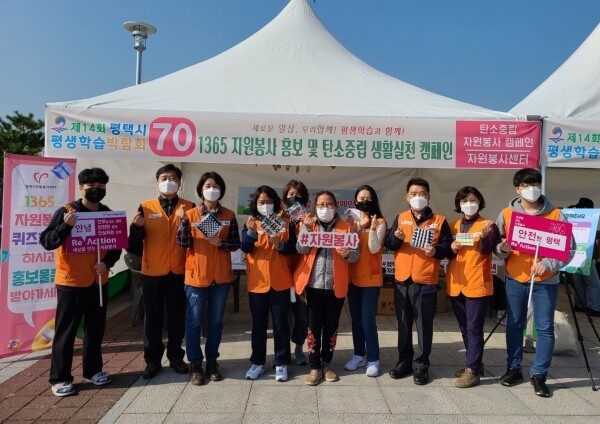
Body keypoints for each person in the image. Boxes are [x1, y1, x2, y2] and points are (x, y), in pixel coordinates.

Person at [40, 168, 122, 397]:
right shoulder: (67, 212)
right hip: (71, 282)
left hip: (98, 281)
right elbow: (47, 241)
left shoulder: (108, 214)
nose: (96, 190)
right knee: (66, 332)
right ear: (81, 188)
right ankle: (60, 378)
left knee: (95, 329)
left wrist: (107, 263)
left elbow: (116, 246)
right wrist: (65, 226)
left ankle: (93, 370)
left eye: (101, 186)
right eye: (91, 186)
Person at [495, 168, 575, 398]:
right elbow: (497, 247)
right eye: (526, 185)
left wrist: (548, 264)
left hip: (545, 281)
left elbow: (569, 250)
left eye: (535, 184)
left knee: (545, 327)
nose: (531, 189)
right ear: (517, 189)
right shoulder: (507, 214)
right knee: (514, 324)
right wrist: (502, 249)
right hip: (516, 278)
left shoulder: (556, 215)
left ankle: (539, 374)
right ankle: (513, 368)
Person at [127, 164, 194, 379]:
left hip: (179, 271)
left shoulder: (189, 207)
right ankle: (152, 360)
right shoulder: (145, 207)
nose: (168, 181)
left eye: (172, 178)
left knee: (177, 317)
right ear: (157, 182)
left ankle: (175, 356)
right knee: (152, 318)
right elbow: (133, 246)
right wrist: (136, 228)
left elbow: (194, 240)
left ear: (179, 182)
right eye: (164, 178)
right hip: (152, 272)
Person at [385, 177, 453, 385]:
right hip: (402, 281)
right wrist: (396, 238)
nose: (418, 197)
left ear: (429, 197)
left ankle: (422, 365)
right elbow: (390, 244)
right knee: (403, 324)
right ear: (407, 197)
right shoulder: (400, 217)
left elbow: (449, 247)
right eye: (414, 194)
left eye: (422, 194)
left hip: (425, 281)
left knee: (424, 325)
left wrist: (436, 251)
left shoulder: (439, 221)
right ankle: (404, 362)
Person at [176, 171, 240, 385]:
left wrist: (220, 243)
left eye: (216, 186)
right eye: (208, 186)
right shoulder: (190, 214)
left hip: (220, 277)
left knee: (216, 322)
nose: (212, 189)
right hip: (196, 277)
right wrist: (183, 223)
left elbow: (236, 244)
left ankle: (212, 361)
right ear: (200, 190)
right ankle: (195, 364)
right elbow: (183, 244)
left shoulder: (229, 215)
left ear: (221, 190)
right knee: (194, 322)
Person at [295, 191, 359, 385]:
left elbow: (355, 256)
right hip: (313, 286)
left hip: (335, 286)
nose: (325, 208)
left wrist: (347, 253)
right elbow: (301, 249)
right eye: (321, 204)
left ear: (336, 206)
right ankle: (315, 367)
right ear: (315, 207)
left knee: (331, 327)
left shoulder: (346, 227)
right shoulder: (309, 224)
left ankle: (327, 365)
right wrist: (306, 230)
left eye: (329, 204)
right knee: (313, 328)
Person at [446, 186, 501, 388]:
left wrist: (485, 237)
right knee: (464, 328)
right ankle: (474, 363)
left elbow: (487, 251)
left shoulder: (488, 225)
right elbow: (445, 251)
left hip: (477, 283)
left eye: (473, 200)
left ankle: (473, 371)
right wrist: (451, 248)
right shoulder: (452, 226)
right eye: (464, 201)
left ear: (479, 202)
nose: (469, 204)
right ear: (459, 204)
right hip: (456, 284)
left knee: (474, 328)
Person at [241, 185, 297, 382]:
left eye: (269, 201)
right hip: (258, 282)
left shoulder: (286, 222)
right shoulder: (252, 222)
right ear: (255, 204)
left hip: (280, 281)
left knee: (281, 325)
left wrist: (280, 245)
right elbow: (245, 247)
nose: (265, 205)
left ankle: (281, 362)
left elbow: (294, 249)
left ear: (276, 203)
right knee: (258, 326)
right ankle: (257, 362)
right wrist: (250, 233)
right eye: (261, 202)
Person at [344, 185, 386, 377]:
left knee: (367, 320)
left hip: (371, 278)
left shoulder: (380, 222)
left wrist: (371, 228)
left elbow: (374, 248)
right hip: (353, 277)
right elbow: (346, 245)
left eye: (368, 198)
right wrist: (356, 226)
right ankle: (359, 354)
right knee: (356, 320)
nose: (364, 201)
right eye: (361, 198)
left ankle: (373, 359)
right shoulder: (351, 223)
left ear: (374, 201)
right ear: (355, 201)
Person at [282, 179, 310, 365]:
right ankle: (282, 351)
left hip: (302, 274)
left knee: (302, 316)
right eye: (291, 194)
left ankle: (299, 348)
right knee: (282, 316)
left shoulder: (310, 218)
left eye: (298, 195)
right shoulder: (278, 218)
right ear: (285, 198)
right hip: (282, 273)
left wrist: (306, 225)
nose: (295, 198)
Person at [567, 198, 600, 317]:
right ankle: (594, 307)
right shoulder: (586, 217)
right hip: (585, 254)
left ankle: (579, 304)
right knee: (594, 283)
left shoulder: (570, 214)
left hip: (574, 254)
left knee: (580, 281)